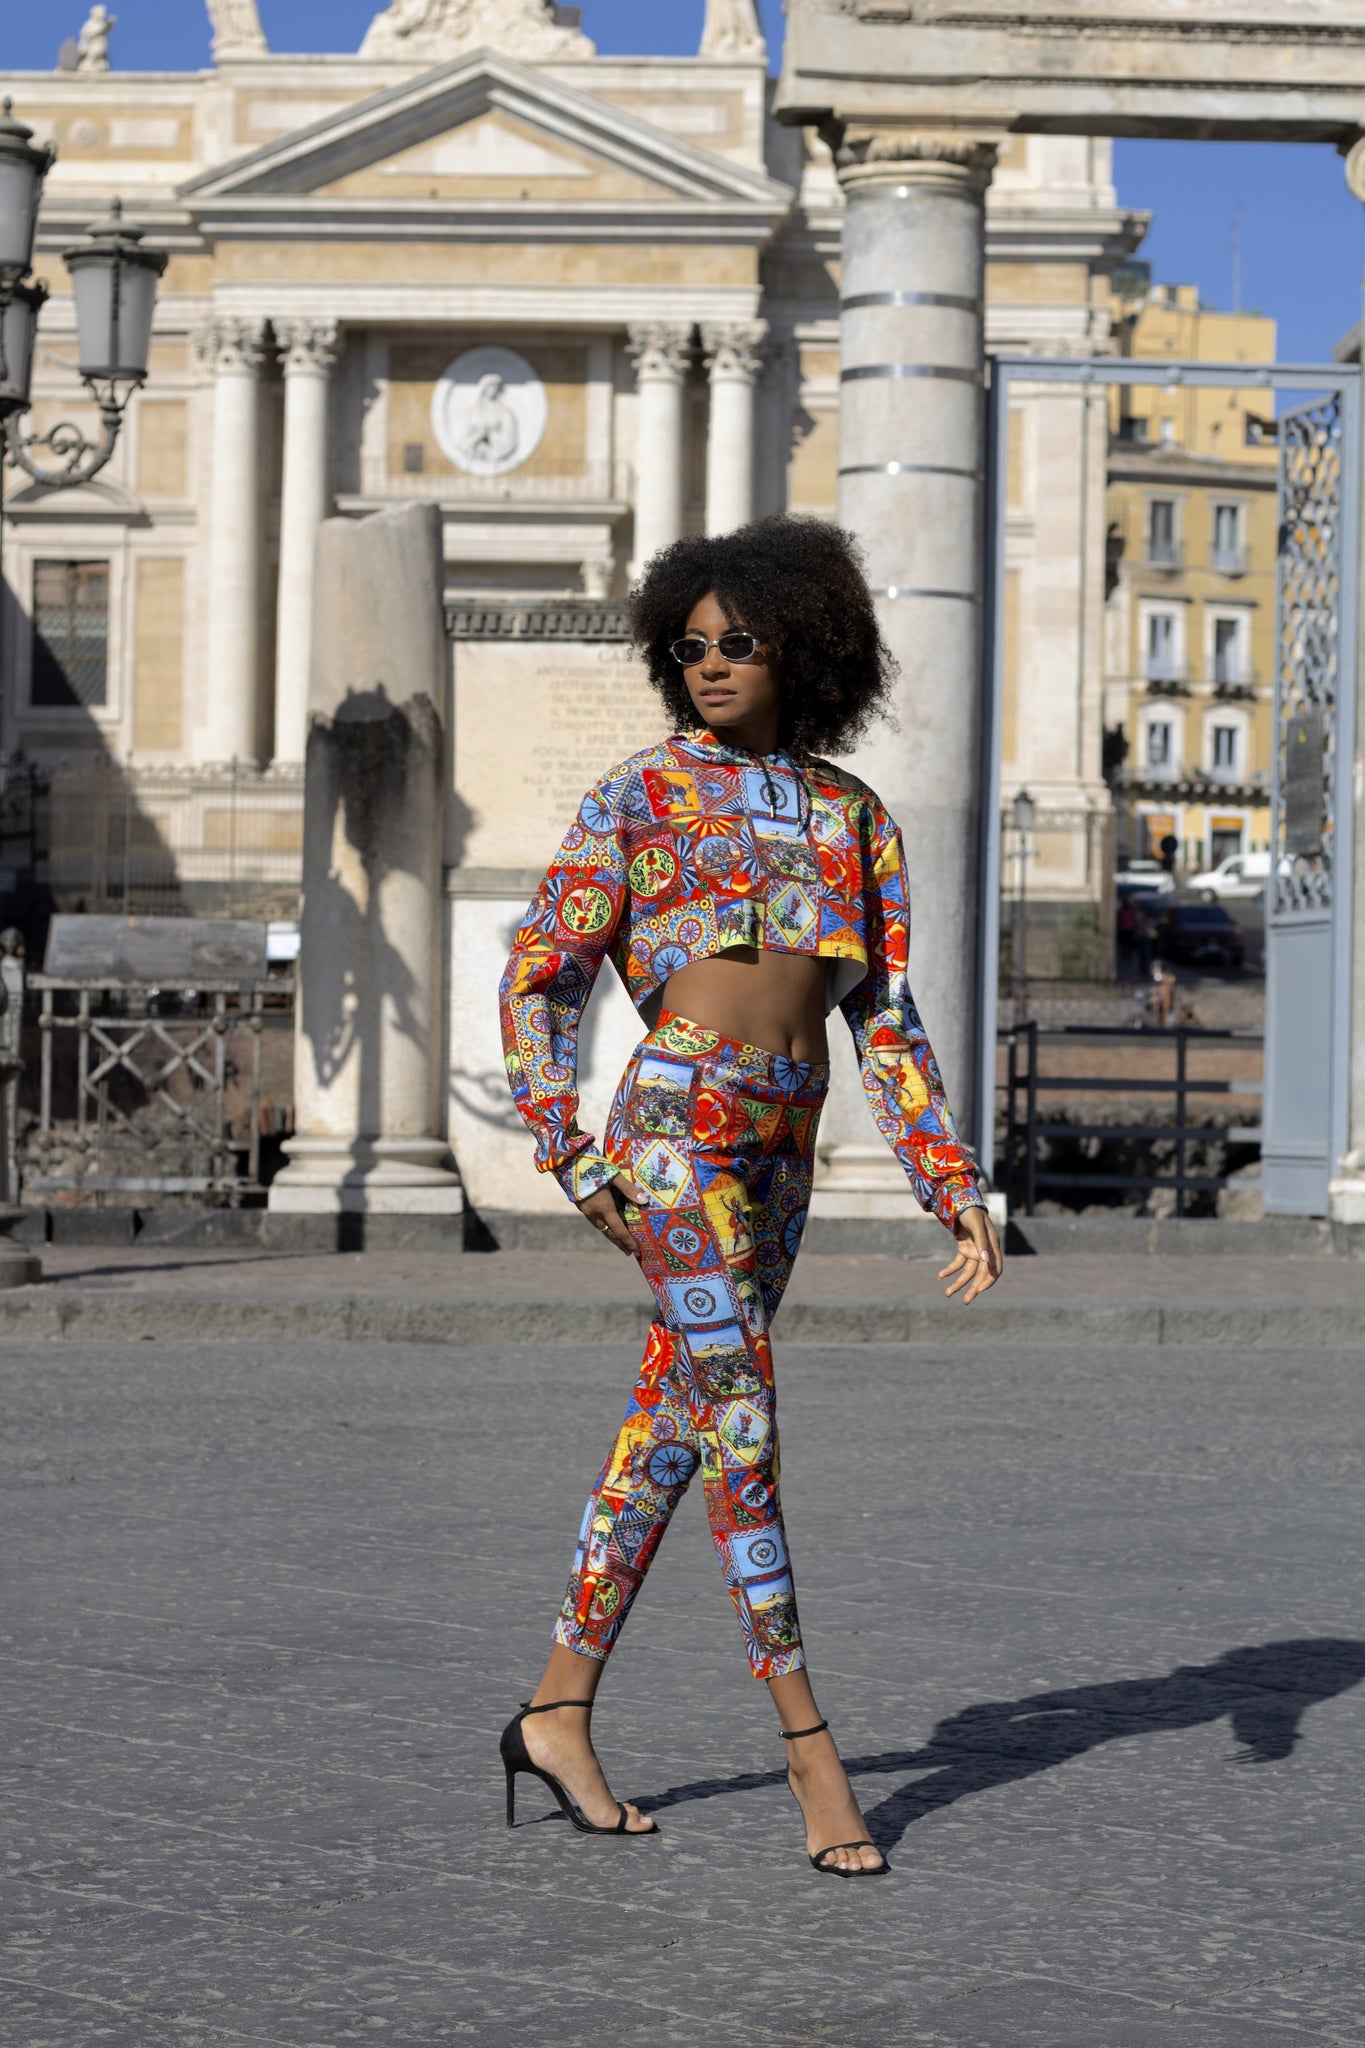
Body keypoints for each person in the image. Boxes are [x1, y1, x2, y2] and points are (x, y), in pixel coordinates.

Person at [497, 517, 1003, 1877]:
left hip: (784, 1145)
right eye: (688, 646)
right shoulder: (640, 795)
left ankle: (555, 1711)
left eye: (739, 641)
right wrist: (568, 1149)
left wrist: (949, 1182)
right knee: (745, 1419)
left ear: (806, 649)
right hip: (674, 1128)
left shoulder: (855, 819)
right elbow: (539, 975)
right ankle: (810, 1748)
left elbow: (885, 1023)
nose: (709, 664)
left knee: (673, 1427)